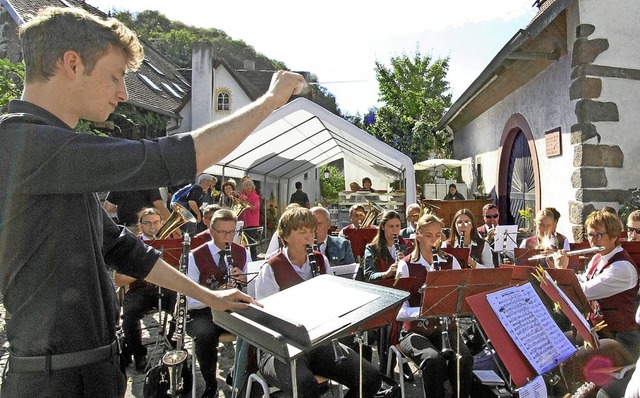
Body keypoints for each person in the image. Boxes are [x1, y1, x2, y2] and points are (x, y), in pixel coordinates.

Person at [0, 7, 303, 396]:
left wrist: (210, 296)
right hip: (52, 381)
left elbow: (128, 251)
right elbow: (165, 158)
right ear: (71, 64)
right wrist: (268, 103)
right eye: (115, 76)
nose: (124, 93)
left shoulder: (54, 157)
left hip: (89, 371)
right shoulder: (24, 145)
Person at [254, 207, 381, 397]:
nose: (309, 237)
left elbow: (333, 299)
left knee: (369, 378)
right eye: (302, 232)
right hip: (280, 348)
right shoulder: (271, 268)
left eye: (311, 231)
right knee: (306, 385)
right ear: (285, 236)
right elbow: (265, 319)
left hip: (319, 343)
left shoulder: (321, 261)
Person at [396, 213, 471, 398]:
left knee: (464, 358)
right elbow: (399, 311)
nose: (434, 241)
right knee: (433, 360)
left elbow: (461, 296)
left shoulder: (450, 261)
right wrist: (425, 310)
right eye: (429, 235)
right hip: (414, 331)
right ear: (418, 236)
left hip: (446, 327)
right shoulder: (406, 266)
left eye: (438, 235)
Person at [554, 210, 640, 359]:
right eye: (590, 235)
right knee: (553, 345)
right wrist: (560, 271)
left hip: (620, 339)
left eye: (598, 235)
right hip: (594, 331)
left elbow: (581, 292)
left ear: (614, 237)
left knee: (567, 360)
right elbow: (581, 280)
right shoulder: (597, 258)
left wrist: (561, 270)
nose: (592, 241)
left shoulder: (622, 268)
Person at [186, 209, 250, 397]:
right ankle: (210, 383)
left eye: (232, 232)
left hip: (235, 309)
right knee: (204, 336)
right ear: (211, 231)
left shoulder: (242, 253)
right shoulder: (195, 256)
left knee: (260, 331)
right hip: (204, 311)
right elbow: (189, 299)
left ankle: (242, 379)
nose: (228, 237)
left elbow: (253, 293)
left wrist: (244, 281)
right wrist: (214, 296)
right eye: (223, 232)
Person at [114, 208, 177, 371]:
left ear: (162, 223)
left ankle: (172, 343)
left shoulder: (171, 245)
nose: (152, 227)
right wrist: (144, 270)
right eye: (147, 223)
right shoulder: (131, 245)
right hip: (140, 290)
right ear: (140, 225)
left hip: (166, 287)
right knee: (129, 314)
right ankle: (139, 354)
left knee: (183, 308)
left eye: (156, 222)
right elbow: (118, 279)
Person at [363, 210, 409, 282]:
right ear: (383, 227)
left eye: (397, 226)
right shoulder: (372, 249)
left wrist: (406, 263)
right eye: (391, 226)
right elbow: (369, 275)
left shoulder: (407, 246)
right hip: (381, 290)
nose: (395, 230)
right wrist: (386, 274)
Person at [103, 188, 172, 234]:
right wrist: (172, 225)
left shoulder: (119, 181)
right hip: (145, 229)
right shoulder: (149, 180)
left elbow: (107, 208)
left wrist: (123, 205)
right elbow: (159, 206)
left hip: (125, 229)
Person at [238, 177, 261, 260]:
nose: (248, 187)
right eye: (246, 185)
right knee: (242, 244)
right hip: (242, 223)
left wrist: (247, 202)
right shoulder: (241, 197)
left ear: (252, 187)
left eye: (250, 185)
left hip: (252, 224)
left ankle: (253, 260)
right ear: (243, 187)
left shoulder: (255, 197)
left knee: (251, 244)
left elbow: (255, 209)